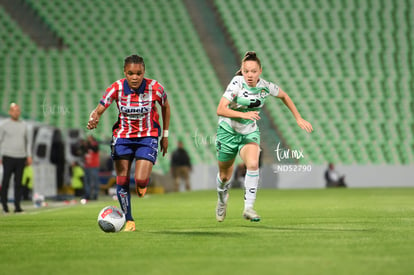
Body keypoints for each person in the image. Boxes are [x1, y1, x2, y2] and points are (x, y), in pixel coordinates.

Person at [215, 51, 313, 222]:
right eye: (246, 71)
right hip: (228, 131)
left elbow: (284, 95)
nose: (250, 75)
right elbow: (220, 109)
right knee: (224, 176)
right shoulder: (237, 83)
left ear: (260, 71)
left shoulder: (266, 87)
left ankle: (249, 207)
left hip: (249, 132)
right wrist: (244, 115)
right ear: (242, 71)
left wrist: (298, 117)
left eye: (253, 71)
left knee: (253, 164)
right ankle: (222, 200)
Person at [87, 54, 170, 232]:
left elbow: (165, 106)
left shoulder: (155, 88)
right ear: (125, 72)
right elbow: (100, 108)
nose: (135, 77)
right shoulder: (116, 88)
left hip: (147, 136)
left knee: (140, 179)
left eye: (138, 73)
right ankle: (129, 219)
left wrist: (166, 135)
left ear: (143, 72)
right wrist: (95, 117)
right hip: (123, 137)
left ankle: (141, 185)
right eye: (131, 73)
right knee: (122, 179)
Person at [0, 103, 32, 213]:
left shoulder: (24, 125)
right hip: (8, 156)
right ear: (10, 112)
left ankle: (17, 206)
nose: (16, 112)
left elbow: (27, 142)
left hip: (21, 157)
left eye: (18, 110)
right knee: (5, 182)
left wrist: (28, 155)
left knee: (19, 183)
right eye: (14, 110)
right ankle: (4, 206)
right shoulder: (4, 125)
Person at [83, 135, 100, 200]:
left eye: (90, 138)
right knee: (87, 181)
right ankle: (88, 195)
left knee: (94, 181)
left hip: (94, 166)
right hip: (87, 166)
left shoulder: (94, 144)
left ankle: (95, 195)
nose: (88, 139)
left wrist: (88, 144)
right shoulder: (86, 146)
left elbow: (95, 149)